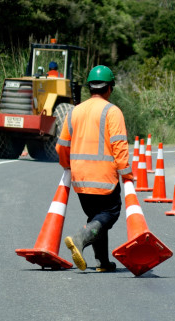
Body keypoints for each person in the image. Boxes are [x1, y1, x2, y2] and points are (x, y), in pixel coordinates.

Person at [56, 65, 132, 272]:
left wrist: (67, 167)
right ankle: (80, 238)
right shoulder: (112, 112)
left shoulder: (74, 112)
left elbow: (61, 146)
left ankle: (103, 263)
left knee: (96, 218)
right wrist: (127, 174)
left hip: (80, 180)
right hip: (104, 179)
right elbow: (119, 147)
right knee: (111, 212)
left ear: (90, 87)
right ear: (110, 88)